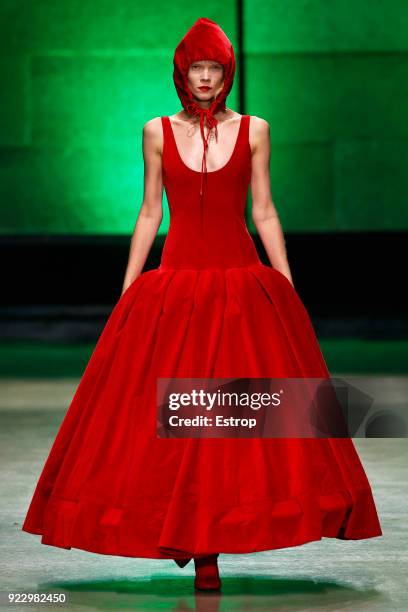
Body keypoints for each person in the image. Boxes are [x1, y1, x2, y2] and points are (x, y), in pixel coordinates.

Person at [22, 17, 382, 592]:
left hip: (240, 285)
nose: (207, 78)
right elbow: (149, 213)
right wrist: (127, 290)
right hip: (177, 286)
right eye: (197, 68)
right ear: (182, 73)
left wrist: (285, 285)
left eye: (215, 68)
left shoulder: (256, 130)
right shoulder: (157, 131)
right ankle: (196, 541)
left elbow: (263, 209)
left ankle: (212, 540)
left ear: (227, 73)